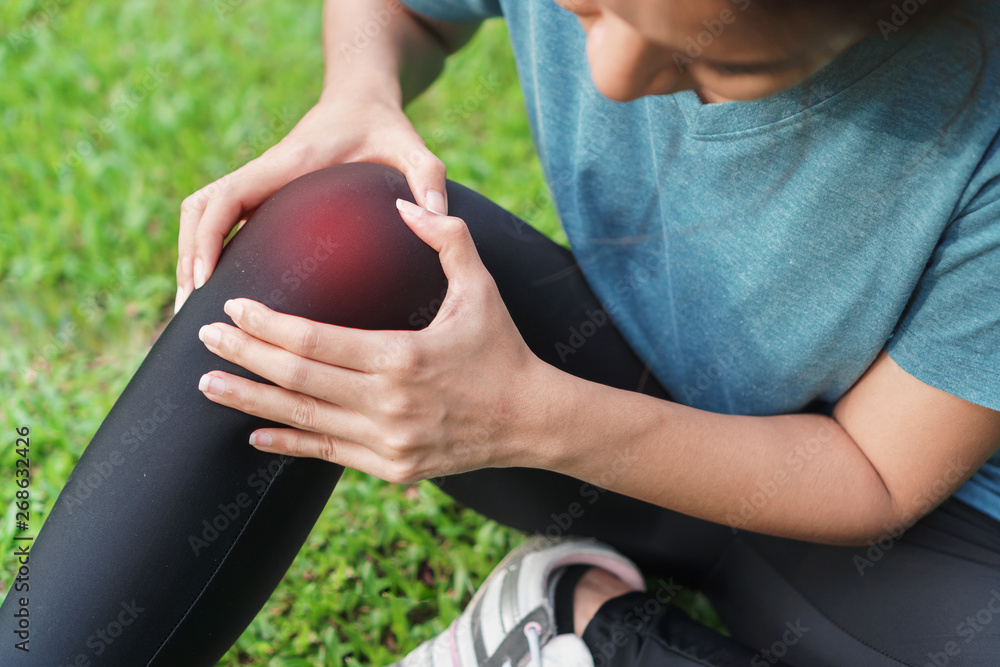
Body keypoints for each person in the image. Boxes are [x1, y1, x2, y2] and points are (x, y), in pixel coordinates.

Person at [2, 1, 998, 666]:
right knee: (340, 235)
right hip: (623, 394)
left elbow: (874, 473)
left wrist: (529, 417)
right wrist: (360, 92)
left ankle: (581, 629)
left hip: (911, 540)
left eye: (722, 65)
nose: (606, 76)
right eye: (584, 5)